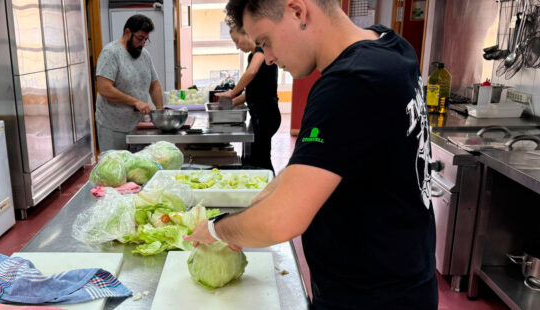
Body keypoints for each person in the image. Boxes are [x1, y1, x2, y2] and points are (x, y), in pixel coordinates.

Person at [184, 0, 438, 309]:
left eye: (266, 42)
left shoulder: (349, 83)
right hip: (404, 278)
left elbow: (282, 221)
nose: (269, 58)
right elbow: (315, 163)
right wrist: (261, 203)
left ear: (298, 11)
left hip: (372, 296)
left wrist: (216, 228)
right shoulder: (389, 45)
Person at [94, 14, 164, 151]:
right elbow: (104, 88)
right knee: (115, 168)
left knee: (138, 168)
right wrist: (135, 102)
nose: (143, 43)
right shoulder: (111, 53)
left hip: (138, 125)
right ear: (127, 32)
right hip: (113, 125)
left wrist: (160, 111)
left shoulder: (144, 55)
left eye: (146, 40)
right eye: (140, 38)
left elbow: (154, 84)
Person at [215, 25, 280, 171]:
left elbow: (251, 73)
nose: (237, 47)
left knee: (261, 161)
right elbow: (252, 91)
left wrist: (232, 92)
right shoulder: (253, 56)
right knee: (254, 158)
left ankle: (269, 190)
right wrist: (231, 103)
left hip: (266, 115)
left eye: (237, 41)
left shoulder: (262, 50)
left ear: (247, 33)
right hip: (259, 115)